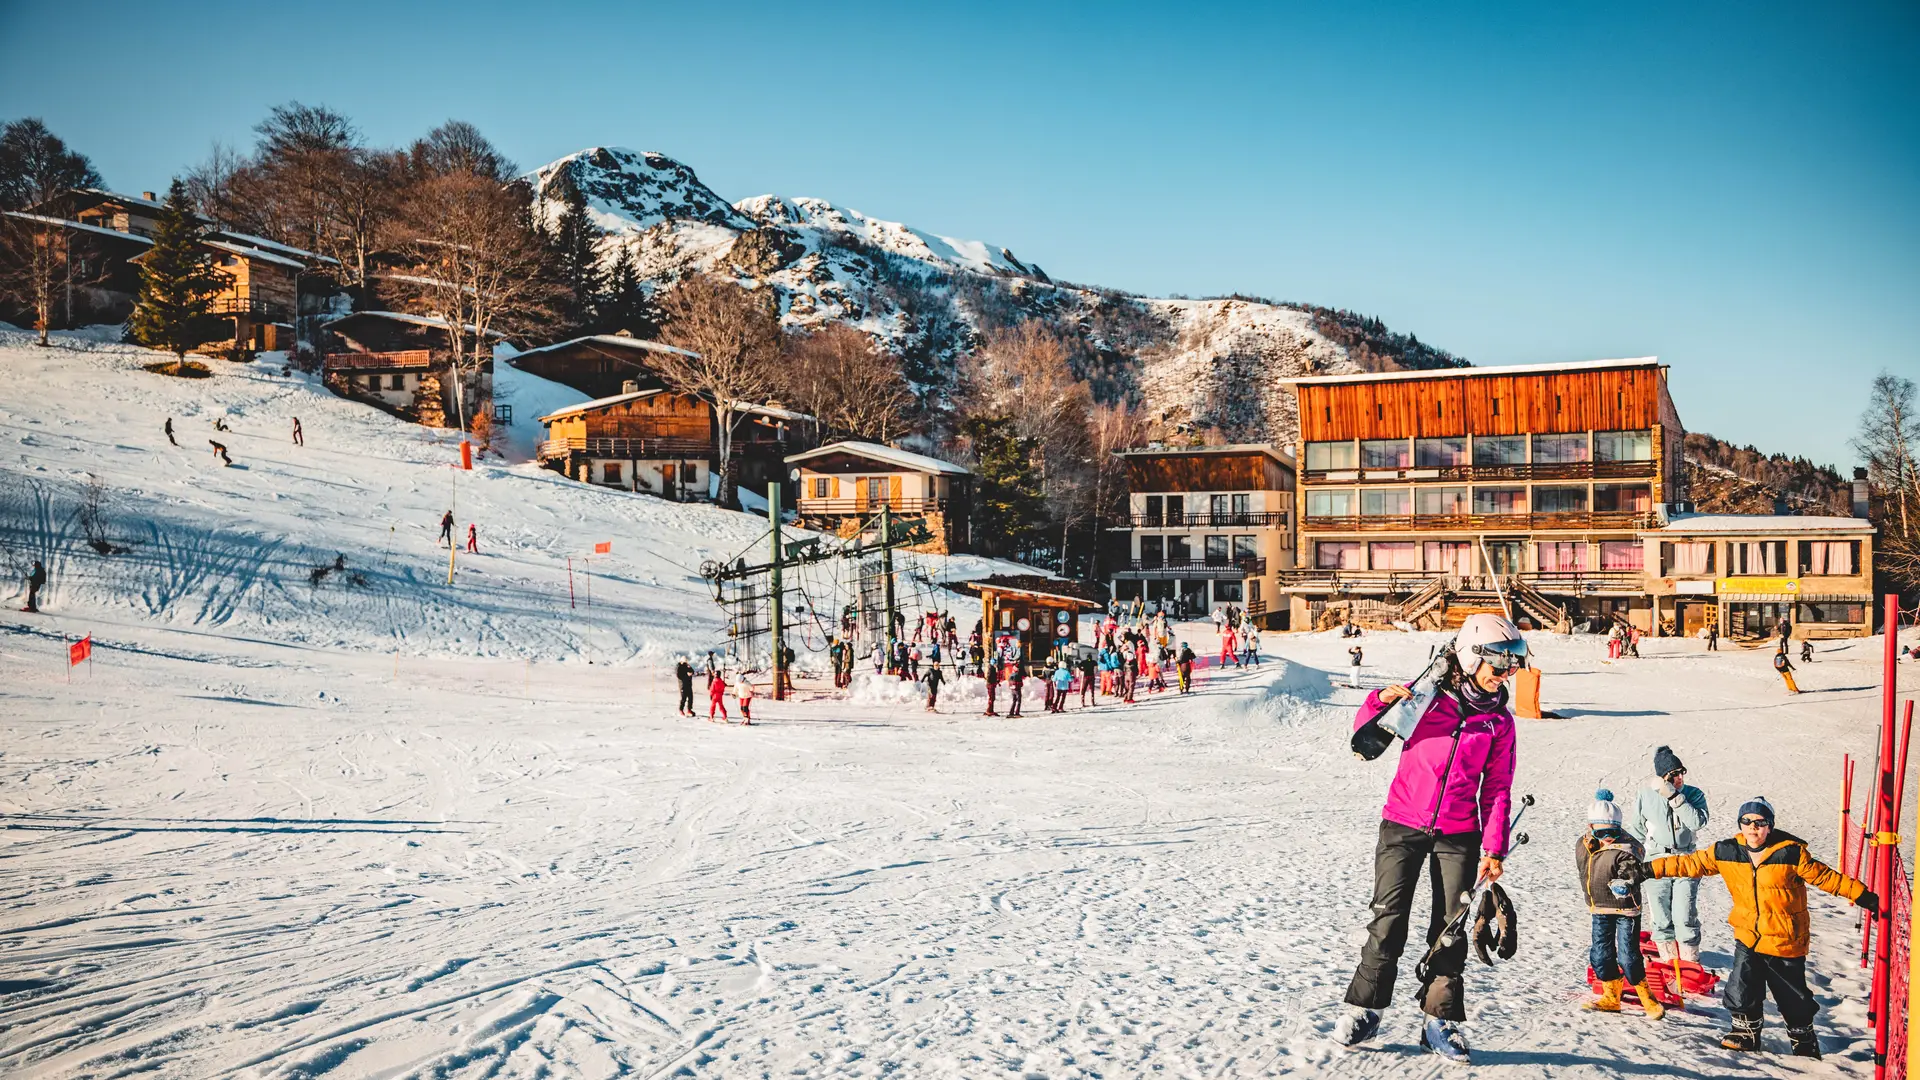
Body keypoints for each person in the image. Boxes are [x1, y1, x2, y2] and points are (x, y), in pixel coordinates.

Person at [1333, 613, 1522, 1064]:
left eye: (1513, 664)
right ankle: (1366, 1007)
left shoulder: (1499, 723)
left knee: (1450, 929)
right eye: (1499, 663)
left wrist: (1494, 846)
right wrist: (1380, 698)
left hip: (1459, 834)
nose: (1505, 674)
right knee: (1387, 920)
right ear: (1472, 656)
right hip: (1402, 823)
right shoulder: (1427, 699)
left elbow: (1497, 788)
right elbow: (1367, 736)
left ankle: (1440, 1019)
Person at [1641, 796, 1874, 1058]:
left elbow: (1826, 877)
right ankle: (1745, 1032)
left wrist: (1863, 896)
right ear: (1740, 824)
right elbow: (1688, 863)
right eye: (1747, 821)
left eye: (1760, 822)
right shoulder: (1727, 851)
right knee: (1742, 985)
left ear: (1770, 826)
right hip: (1748, 935)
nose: (1753, 827)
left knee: (1792, 994)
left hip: (1785, 938)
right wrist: (1648, 869)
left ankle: (1802, 1037)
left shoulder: (1791, 853)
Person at [1579, 789, 1665, 1019]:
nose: (1608, 837)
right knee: (1599, 955)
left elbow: (1632, 870)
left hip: (1625, 909)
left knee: (1628, 956)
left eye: (1613, 831)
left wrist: (1625, 882)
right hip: (1599, 907)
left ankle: (1647, 997)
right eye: (1603, 831)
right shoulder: (1585, 844)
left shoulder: (1628, 847)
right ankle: (1611, 996)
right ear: (1591, 827)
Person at [1627, 746, 1708, 966]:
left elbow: (1697, 822)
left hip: (1686, 862)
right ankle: (1669, 960)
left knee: (1684, 915)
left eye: (1682, 773)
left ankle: (1690, 962)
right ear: (1663, 777)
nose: (1680, 778)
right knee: (1661, 917)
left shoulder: (1694, 794)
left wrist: (1675, 797)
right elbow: (1637, 830)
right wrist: (1627, 858)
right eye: (1674, 775)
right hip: (1656, 862)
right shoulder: (1646, 796)